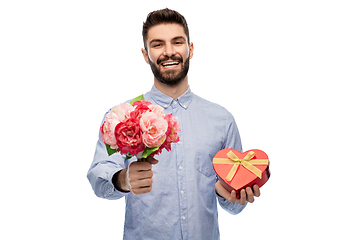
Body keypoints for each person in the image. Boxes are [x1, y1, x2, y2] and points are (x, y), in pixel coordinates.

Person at [87, 8, 260, 240]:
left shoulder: (222, 120)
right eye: (157, 44)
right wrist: (123, 179)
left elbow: (234, 205)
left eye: (177, 42)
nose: (169, 52)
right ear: (145, 54)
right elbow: (99, 177)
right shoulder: (121, 117)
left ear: (190, 49)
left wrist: (230, 195)